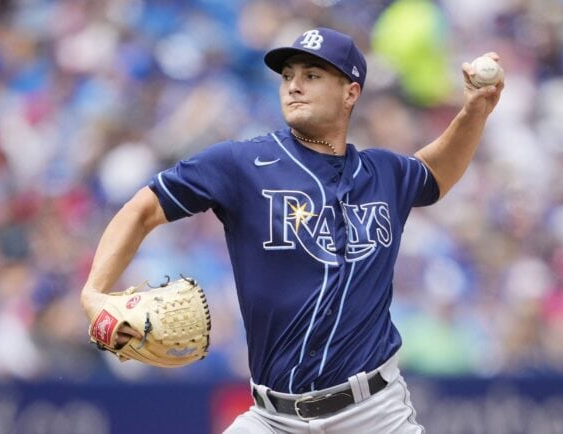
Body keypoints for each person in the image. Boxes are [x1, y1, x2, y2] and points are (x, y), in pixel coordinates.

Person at [80, 27, 503, 433]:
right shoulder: (241, 164)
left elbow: (434, 171)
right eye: (288, 76)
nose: (293, 85)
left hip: (373, 412)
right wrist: (93, 292)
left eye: (312, 75)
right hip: (272, 417)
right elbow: (142, 210)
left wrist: (474, 111)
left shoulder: (384, 173)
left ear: (350, 92)